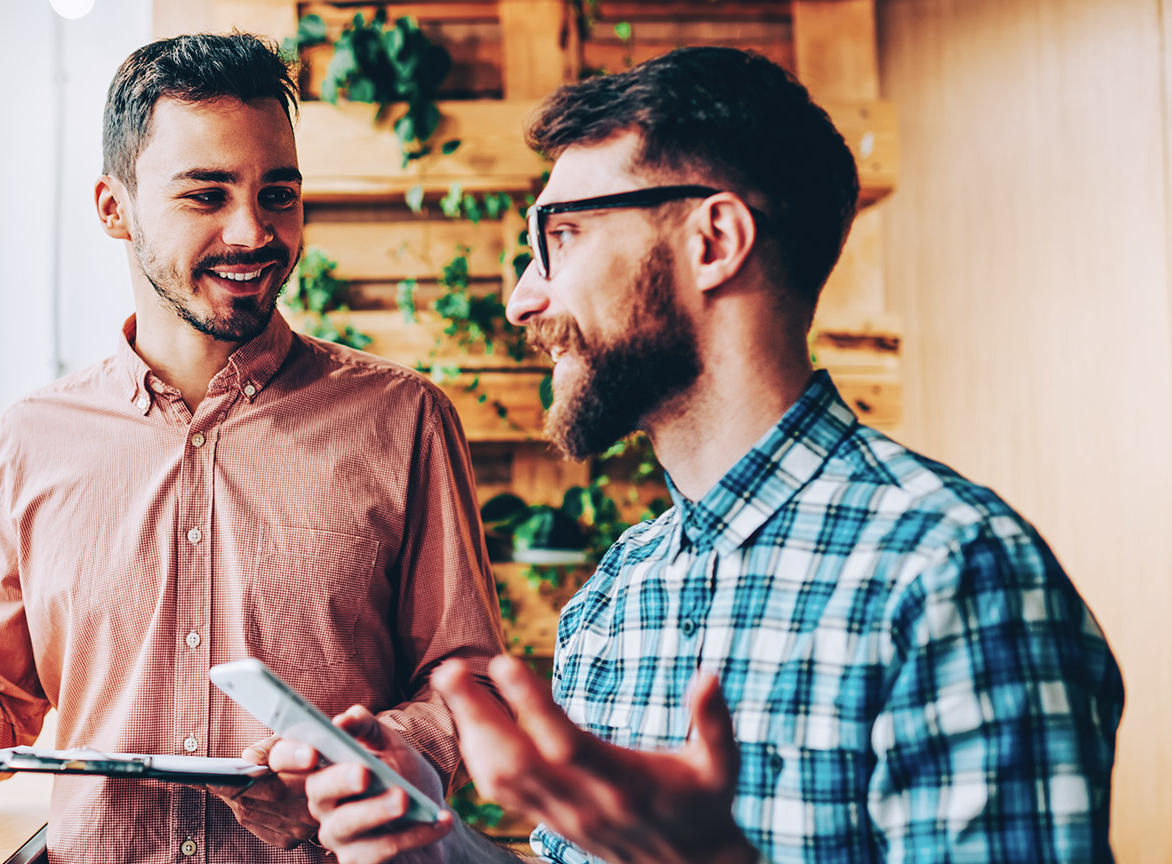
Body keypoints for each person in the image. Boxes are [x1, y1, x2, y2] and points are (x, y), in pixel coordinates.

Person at [271, 46, 1123, 864]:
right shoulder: (618, 593)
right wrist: (432, 843)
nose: (525, 298)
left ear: (713, 241)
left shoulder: (953, 573)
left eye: (559, 237)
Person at [0, 34, 504, 864]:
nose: (254, 230)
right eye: (205, 195)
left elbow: (465, 684)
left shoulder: (404, 419)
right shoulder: (32, 439)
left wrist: (363, 764)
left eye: (278, 194)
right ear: (114, 208)